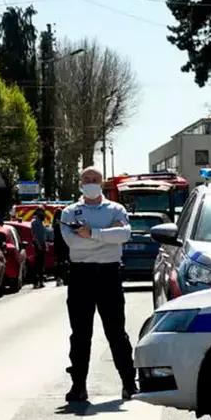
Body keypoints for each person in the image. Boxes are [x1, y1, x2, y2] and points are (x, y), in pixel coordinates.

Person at [60, 167, 137, 403]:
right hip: (81, 276)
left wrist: (91, 232)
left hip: (109, 275)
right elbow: (73, 243)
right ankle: (78, 386)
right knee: (81, 334)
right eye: (86, 179)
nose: (90, 182)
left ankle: (128, 383)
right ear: (80, 183)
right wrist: (105, 235)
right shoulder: (70, 212)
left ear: (102, 183)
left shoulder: (116, 209)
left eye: (95, 179)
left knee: (116, 332)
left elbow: (123, 235)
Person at [30, 209, 47, 288]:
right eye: (42, 212)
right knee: (37, 264)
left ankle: (40, 281)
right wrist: (38, 245)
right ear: (38, 212)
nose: (44, 214)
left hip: (42, 244)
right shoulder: (35, 222)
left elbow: (43, 234)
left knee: (41, 264)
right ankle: (36, 282)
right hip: (37, 245)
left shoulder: (41, 221)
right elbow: (35, 235)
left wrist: (45, 244)